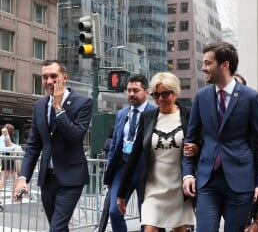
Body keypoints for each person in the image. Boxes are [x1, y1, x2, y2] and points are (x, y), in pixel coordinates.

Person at [182, 41, 258, 232]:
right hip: (207, 180)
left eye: (207, 63)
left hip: (241, 181)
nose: (203, 68)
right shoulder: (201, 96)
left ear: (225, 65)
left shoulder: (250, 97)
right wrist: (188, 173)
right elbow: (190, 139)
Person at [13, 59, 92, 232]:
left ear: (65, 77)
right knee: (58, 228)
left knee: (56, 229)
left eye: (54, 76)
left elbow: (76, 137)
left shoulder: (83, 103)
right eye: (45, 77)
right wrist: (22, 178)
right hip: (47, 180)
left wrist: (58, 108)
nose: (49, 81)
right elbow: (33, 146)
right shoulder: (39, 105)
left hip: (71, 179)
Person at [117, 72, 196, 232]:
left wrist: (196, 148)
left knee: (179, 229)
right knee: (150, 228)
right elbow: (135, 155)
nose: (160, 99)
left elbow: (200, 142)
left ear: (175, 93)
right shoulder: (147, 117)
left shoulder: (188, 115)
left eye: (165, 94)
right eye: (156, 95)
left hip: (179, 188)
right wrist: (122, 192)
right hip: (153, 187)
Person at [103, 74, 156, 232]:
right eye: (129, 90)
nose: (131, 94)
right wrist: (109, 173)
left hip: (145, 171)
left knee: (145, 217)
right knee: (114, 211)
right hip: (122, 169)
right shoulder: (122, 114)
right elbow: (115, 144)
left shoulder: (155, 112)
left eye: (136, 90)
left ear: (146, 92)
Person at [0, 124, 23, 195]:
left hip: (10, 159)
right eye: (12, 130)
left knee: (14, 178)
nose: (13, 132)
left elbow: (10, 146)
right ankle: (14, 196)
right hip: (7, 159)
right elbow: (2, 149)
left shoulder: (7, 137)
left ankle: (14, 195)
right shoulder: (2, 137)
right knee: (5, 179)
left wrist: (15, 147)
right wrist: (14, 147)